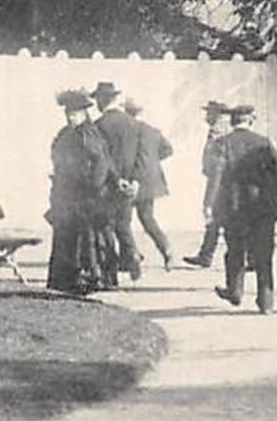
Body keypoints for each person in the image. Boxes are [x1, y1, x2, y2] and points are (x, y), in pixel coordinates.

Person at [212, 105, 277, 315]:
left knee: (235, 249)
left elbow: (215, 177)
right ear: (251, 120)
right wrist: (276, 194)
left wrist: (210, 205)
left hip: (234, 207)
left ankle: (235, 291)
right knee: (264, 253)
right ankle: (266, 301)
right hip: (262, 207)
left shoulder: (222, 143)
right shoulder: (263, 143)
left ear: (232, 121)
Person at [45, 89, 119, 295]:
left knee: (84, 238)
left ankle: (85, 278)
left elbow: (101, 163)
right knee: (66, 236)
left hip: (84, 196)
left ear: (84, 113)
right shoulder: (65, 134)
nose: (70, 117)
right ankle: (64, 280)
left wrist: (92, 187)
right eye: (68, 113)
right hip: (66, 194)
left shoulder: (87, 133)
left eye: (75, 113)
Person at [90, 82, 144, 281]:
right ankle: (132, 256)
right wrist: (136, 180)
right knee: (123, 223)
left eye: (97, 99)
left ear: (103, 100)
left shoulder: (99, 125)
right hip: (130, 183)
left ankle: (110, 271)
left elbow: (103, 157)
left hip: (108, 182)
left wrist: (116, 178)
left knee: (104, 227)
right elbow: (142, 154)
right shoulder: (132, 123)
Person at [123, 99, 175, 270]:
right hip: (149, 182)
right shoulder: (153, 130)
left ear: (127, 112)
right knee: (147, 219)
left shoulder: (128, 130)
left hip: (131, 180)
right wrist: (152, 162)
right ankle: (166, 249)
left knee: (122, 220)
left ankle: (132, 255)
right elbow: (168, 149)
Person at [185, 101, 233, 268]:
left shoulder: (217, 131)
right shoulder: (226, 128)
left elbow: (217, 162)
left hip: (219, 181)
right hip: (225, 181)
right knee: (218, 220)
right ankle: (206, 254)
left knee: (217, 216)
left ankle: (207, 255)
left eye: (209, 113)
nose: (206, 116)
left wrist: (209, 196)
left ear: (216, 114)